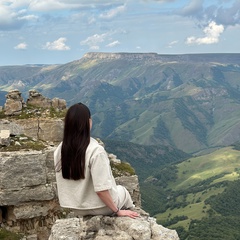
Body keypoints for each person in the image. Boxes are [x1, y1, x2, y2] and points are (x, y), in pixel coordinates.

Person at [54, 102, 139, 218]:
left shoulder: (60, 149)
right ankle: (135, 214)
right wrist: (117, 210)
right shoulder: (95, 150)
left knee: (119, 190)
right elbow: (101, 190)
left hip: (76, 208)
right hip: (100, 207)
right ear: (89, 122)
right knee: (123, 191)